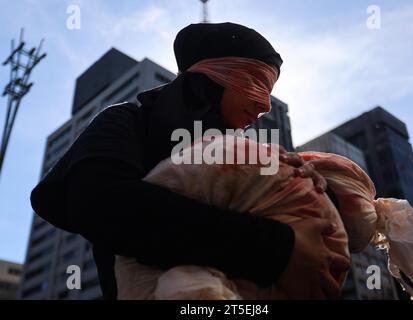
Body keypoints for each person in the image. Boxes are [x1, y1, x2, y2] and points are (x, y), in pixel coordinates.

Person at [30, 22, 346, 300]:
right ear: (213, 77)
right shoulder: (129, 122)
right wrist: (278, 250)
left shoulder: (241, 151)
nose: (263, 106)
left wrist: (311, 192)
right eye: (256, 82)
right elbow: (98, 201)